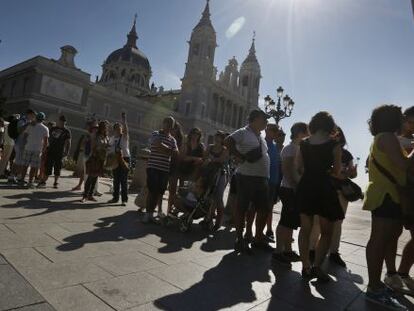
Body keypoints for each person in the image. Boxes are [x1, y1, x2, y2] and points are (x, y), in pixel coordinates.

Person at [363, 105, 414, 310]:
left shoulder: (384, 137)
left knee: (384, 239)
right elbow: (403, 165)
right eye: (401, 117)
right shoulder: (387, 137)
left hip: (388, 194)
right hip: (386, 194)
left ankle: (378, 283)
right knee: (379, 240)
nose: (404, 120)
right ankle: (374, 287)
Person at [296, 111, 344, 282]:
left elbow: (298, 167)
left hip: (307, 186)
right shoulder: (334, 145)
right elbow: (337, 172)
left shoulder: (303, 143)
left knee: (305, 229)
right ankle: (317, 266)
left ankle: (305, 267)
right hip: (324, 187)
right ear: (330, 125)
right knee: (326, 231)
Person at [309, 127, 358, 267]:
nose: (336, 138)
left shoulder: (347, 155)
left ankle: (334, 252)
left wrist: (352, 172)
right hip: (324, 189)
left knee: (338, 223)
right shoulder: (324, 151)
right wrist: (338, 173)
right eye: (333, 135)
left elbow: (353, 175)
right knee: (318, 222)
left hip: (341, 191)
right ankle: (312, 249)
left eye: (338, 136)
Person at [224, 109, 272, 253]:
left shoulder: (261, 137)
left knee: (264, 209)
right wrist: (239, 155)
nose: (266, 121)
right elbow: (228, 141)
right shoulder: (243, 132)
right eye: (264, 118)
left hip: (262, 178)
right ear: (255, 119)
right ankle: (240, 239)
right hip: (246, 176)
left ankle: (258, 238)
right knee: (242, 208)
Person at [383, 106, 414, 295]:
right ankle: (391, 272)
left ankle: (402, 272)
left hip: (411, 193)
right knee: (391, 235)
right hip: (397, 192)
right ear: (403, 120)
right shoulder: (392, 139)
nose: (412, 127)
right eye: (411, 122)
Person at [273, 122, 308, 265]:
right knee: (285, 221)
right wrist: (294, 186)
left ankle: (287, 250)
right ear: (300, 132)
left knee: (291, 221)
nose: (308, 134)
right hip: (289, 189)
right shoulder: (289, 148)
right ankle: (278, 251)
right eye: (306, 131)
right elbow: (286, 170)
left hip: (294, 189)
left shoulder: (299, 148)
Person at [143, 116, 178, 223]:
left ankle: (151, 214)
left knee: (159, 192)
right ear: (163, 123)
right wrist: (168, 150)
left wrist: (164, 148)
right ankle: (148, 214)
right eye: (166, 122)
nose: (168, 125)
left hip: (164, 169)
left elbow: (176, 153)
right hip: (153, 166)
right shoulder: (155, 133)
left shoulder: (173, 139)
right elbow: (156, 144)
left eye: (170, 124)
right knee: (152, 191)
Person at [204, 130, 229, 231]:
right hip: (209, 173)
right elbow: (204, 156)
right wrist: (210, 159)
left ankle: (218, 222)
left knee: (218, 197)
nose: (217, 138)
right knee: (208, 196)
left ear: (222, 139)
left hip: (220, 175)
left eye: (220, 137)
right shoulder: (210, 147)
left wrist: (211, 159)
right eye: (216, 136)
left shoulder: (225, 149)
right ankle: (208, 218)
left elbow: (221, 160)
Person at [38, 116, 71, 188]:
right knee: (48, 166)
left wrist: (66, 152)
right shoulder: (53, 128)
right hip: (50, 150)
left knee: (57, 167)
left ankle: (55, 182)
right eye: (60, 121)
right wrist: (45, 148)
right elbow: (47, 138)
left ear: (65, 122)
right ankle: (43, 181)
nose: (61, 122)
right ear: (58, 121)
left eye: (63, 121)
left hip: (59, 152)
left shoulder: (66, 131)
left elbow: (68, 142)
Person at [19, 112, 49, 188]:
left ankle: (21, 181)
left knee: (25, 165)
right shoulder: (45, 128)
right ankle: (30, 182)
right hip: (37, 150)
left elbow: (24, 136)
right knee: (33, 167)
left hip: (28, 147)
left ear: (36, 118)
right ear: (43, 119)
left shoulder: (30, 126)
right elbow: (46, 142)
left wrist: (24, 145)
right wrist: (44, 151)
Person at [82, 121, 109, 202]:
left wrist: (106, 148)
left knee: (95, 177)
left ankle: (90, 195)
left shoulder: (106, 137)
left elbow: (106, 147)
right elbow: (93, 146)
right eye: (104, 127)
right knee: (90, 177)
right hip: (94, 157)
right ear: (101, 127)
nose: (105, 128)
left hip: (101, 159)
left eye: (106, 127)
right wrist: (100, 148)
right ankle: (85, 196)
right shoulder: (95, 135)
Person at [107, 112, 130, 206]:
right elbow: (109, 148)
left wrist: (124, 120)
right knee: (116, 179)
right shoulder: (112, 138)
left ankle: (124, 200)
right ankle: (115, 198)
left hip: (124, 158)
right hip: (115, 159)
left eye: (119, 128)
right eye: (116, 128)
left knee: (123, 180)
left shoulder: (124, 137)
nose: (118, 129)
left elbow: (126, 130)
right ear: (114, 129)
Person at [264, 124, 282, 241]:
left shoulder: (275, 147)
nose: (276, 133)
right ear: (266, 130)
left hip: (274, 182)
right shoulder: (262, 143)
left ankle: (269, 229)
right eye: (273, 130)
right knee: (259, 208)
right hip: (264, 180)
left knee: (269, 207)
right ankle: (253, 233)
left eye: (277, 131)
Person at [8, 111, 33, 184]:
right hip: (19, 144)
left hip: (23, 144)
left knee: (20, 161)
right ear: (29, 114)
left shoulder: (27, 121)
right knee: (17, 161)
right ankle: (11, 177)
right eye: (33, 115)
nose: (33, 117)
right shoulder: (22, 121)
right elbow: (19, 130)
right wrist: (27, 124)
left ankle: (18, 176)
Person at [167, 121, 184, 215]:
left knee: (174, 191)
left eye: (175, 128)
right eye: (172, 128)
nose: (173, 130)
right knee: (166, 190)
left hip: (177, 167)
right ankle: (166, 210)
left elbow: (180, 154)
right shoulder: (168, 137)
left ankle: (172, 210)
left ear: (178, 129)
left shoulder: (181, 141)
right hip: (167, 165)